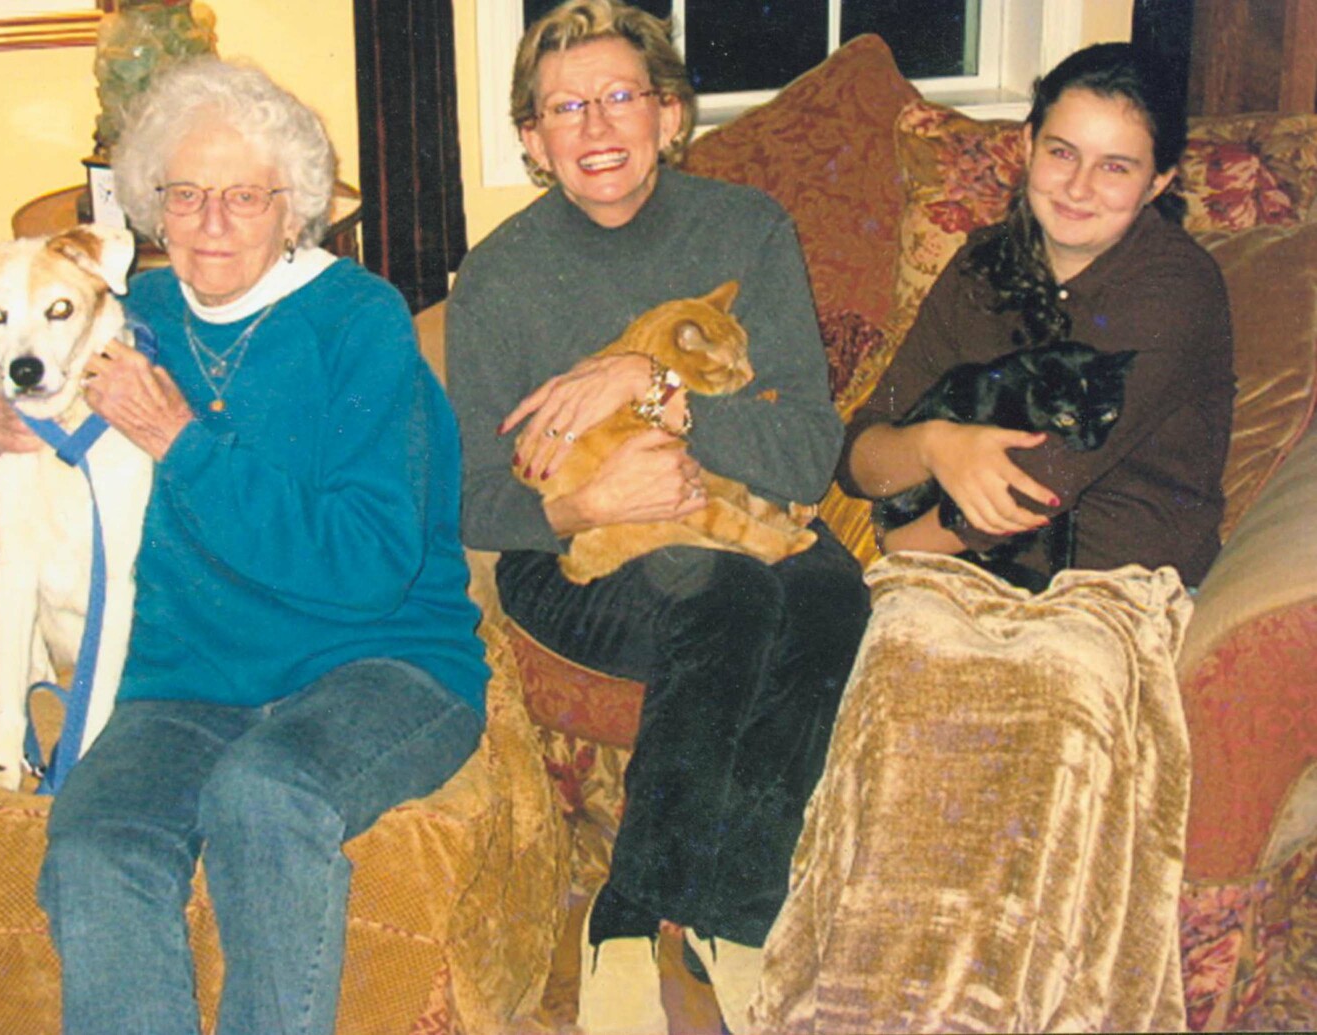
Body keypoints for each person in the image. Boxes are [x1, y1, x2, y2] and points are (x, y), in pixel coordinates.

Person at [0, 57, 489, 1035]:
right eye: (186, 194)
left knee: (265, 795)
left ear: (295, 210)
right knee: (95, 842)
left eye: (244, 196)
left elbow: (369, 562)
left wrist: (182, 444)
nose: (210, 222)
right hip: (187, 676)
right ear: (151, 208)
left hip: (381, 664)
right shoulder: (128, 316)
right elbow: (34, 487)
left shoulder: (357, 324)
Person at [444, 2, 870, 1032]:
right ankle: (627, 918)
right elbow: (469, 497)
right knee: (720, 593)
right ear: (534, 142)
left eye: (622, 98)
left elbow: (809, 450)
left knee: (830, 591)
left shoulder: (748, 231)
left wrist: (658, 388)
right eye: (566, 108)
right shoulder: (498, 279)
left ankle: (733, 904)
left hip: (739, 513)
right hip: (575, 556)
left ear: (672, 117)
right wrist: (586, 498)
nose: (597, 127)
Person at [841, 42, 1235, 587]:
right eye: (1062, 153)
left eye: (1114, 167)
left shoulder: (1177, 288)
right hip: (963, 582)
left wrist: (897, 551)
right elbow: (861, 454)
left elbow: (1042, 481)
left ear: (1159, 181)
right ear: (1028, 145)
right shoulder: (981, 266)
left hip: (1120, 591)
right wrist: (934, 446)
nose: (1078, 188)